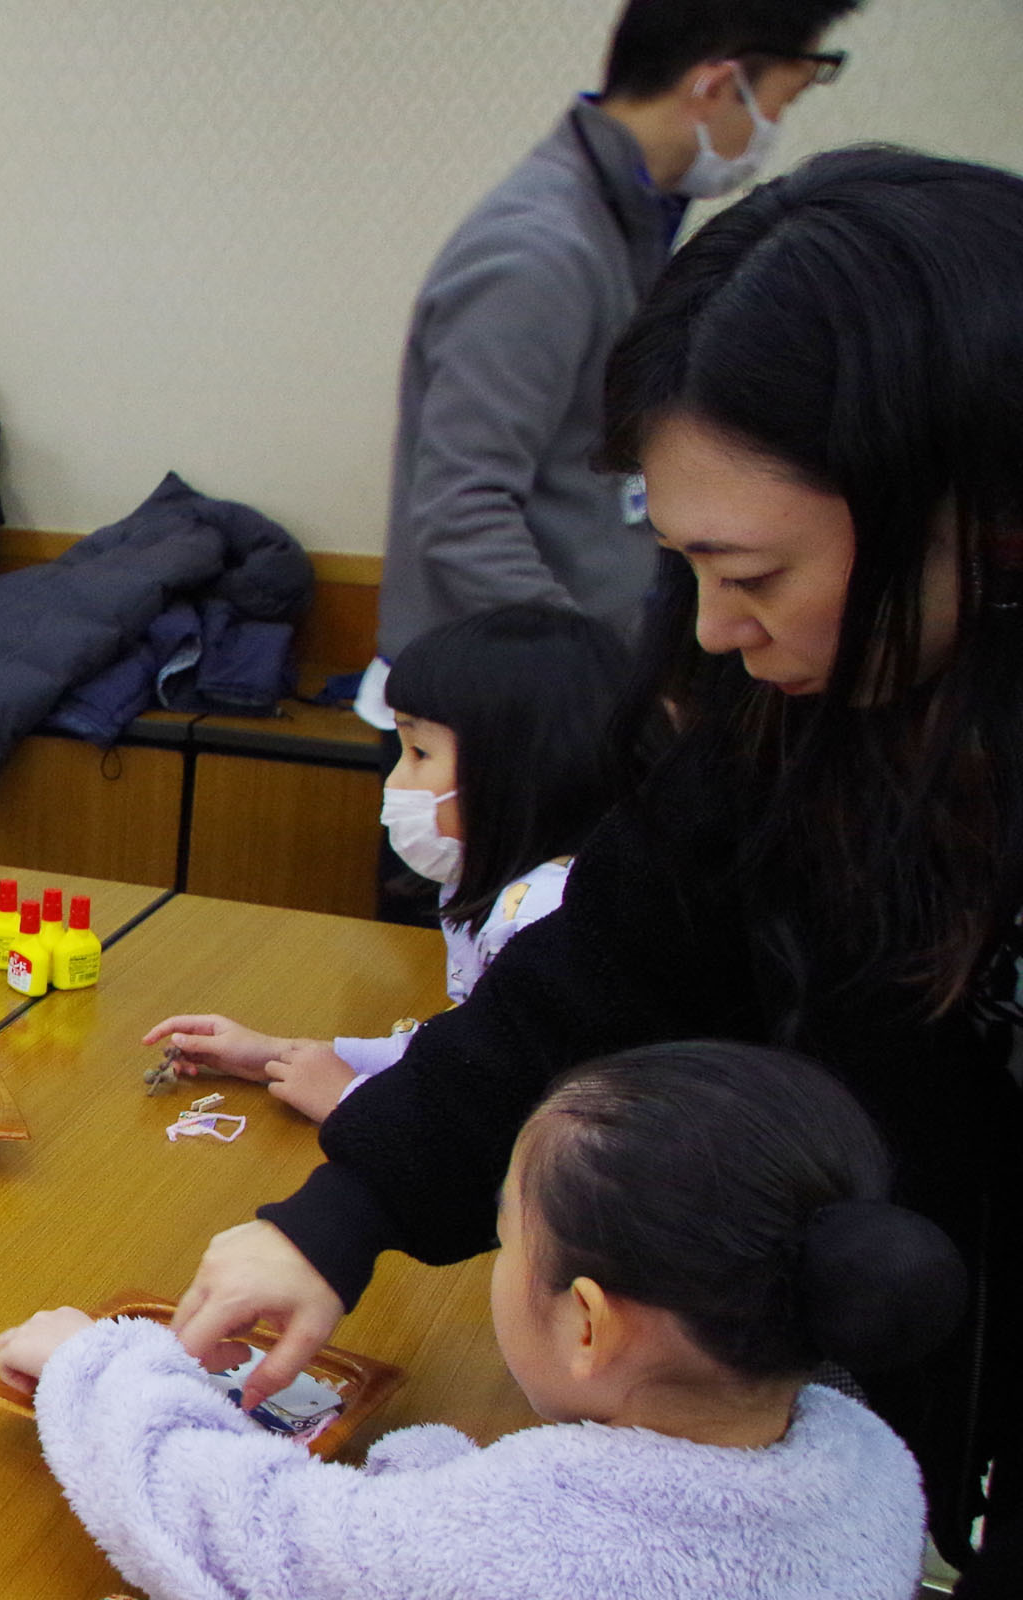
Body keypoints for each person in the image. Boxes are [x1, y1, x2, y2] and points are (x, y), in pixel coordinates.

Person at [173, 149, 1023, 1594]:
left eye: (753, 578)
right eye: (684, 566)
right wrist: (339, 1219)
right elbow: (589, 980)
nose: (710, 631)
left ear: (978, 526)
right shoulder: (795, 725)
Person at [0, 1043, 965, 1600]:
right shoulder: (867, 1463)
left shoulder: (518, 1547)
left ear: (588, 1326)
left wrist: (98, 1362)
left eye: (507, 1237)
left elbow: (230, 1527)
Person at [361, 0, 854, 922]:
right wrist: (608, 692)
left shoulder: (625, 223)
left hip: (552, 719)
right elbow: (462, 510)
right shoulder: (541, 248)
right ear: (717, 83)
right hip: (502, 736)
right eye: (776, 104)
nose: (770, 135)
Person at [147, 605, 626, 1119]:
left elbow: (504, 1121)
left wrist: (349, 1100)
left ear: (520, 770)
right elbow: (457, 1051)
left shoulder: (542, 921)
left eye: (420, 753)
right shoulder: (494, 888)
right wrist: (278, 1055)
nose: (395, 782)